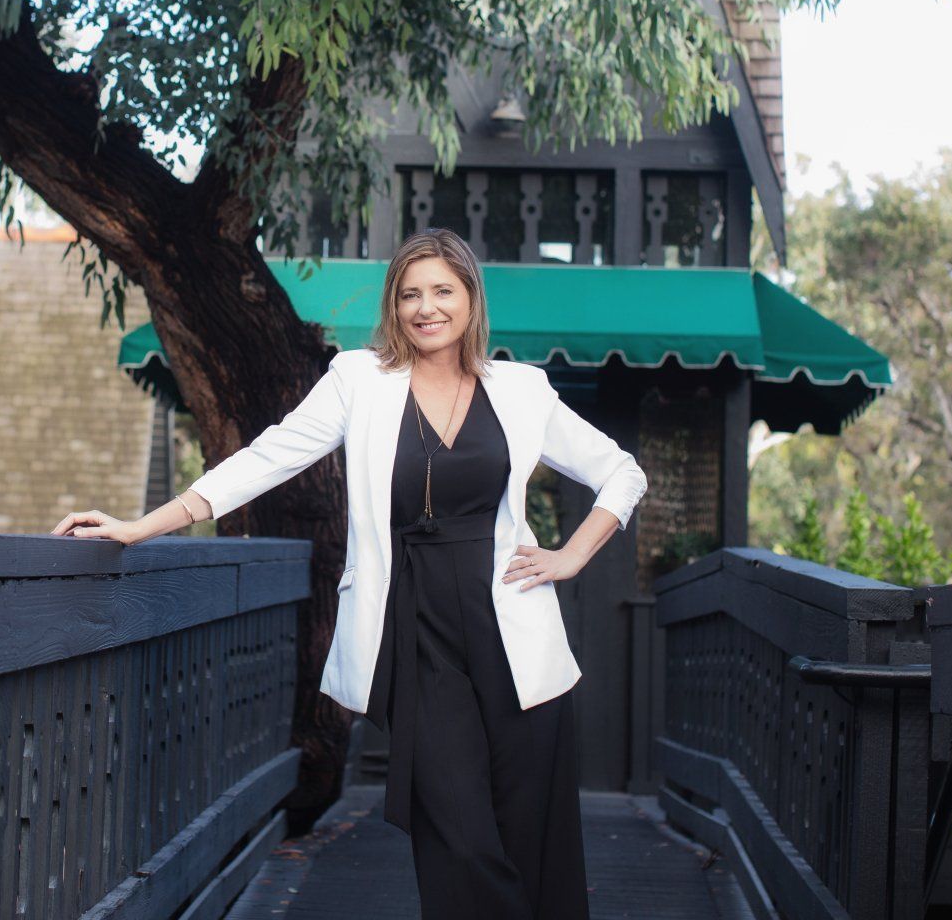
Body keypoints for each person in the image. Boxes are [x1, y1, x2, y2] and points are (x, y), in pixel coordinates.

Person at [51, 229, 647, 920]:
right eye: (411, 294)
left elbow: (620, 472)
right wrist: (140, 525)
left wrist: (572, 555)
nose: (427, 308)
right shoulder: (358, 380)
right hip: (415, 630)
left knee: (532, 832)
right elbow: (267, 458)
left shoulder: (521, 390)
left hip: (514, 627)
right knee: (455, 829)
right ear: (394, 306)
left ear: (470, 300)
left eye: (443, 291)